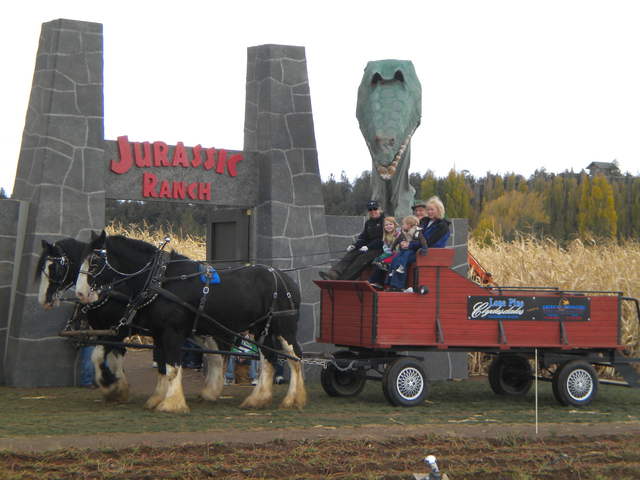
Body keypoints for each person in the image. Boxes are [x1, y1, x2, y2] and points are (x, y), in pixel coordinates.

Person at [387, 196, 451, 291]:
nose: (429, 212)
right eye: (428, 210)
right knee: (398, 256)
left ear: (439, 210)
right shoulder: (425, 221)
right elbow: (416, 236)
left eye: (432, 210)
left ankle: (398, 286)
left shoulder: (442, 226)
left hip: (430, 253)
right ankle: (390, 284)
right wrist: (406, 243)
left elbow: (429, 242)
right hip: (418, 249)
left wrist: (410, 245)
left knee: (405, 256)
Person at [319, 200, 384, 280]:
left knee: (361, 259)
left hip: (379, 249)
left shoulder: (384, 221)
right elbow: (363, 237)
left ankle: (344, 280)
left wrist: (368, 246)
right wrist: (355, 245)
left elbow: (381, 239)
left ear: (379, 209)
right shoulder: (368, 223)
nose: (373, 211)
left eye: (375, 208)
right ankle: (334, 273)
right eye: (370, 209)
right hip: (368, 248)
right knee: (351, 254)